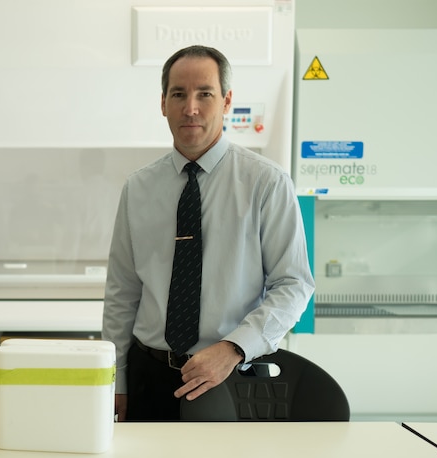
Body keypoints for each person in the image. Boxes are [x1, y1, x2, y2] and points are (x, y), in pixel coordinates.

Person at [102, 45, 314, 422]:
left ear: (227, 100)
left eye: (205, 94)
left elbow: (294, 285)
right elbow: (122, 292)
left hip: (231, 377)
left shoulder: (267, 183)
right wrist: (114, 380)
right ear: (163, 103)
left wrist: (234, 348)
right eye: (179, 94)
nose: (191, 108)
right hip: (148, 377)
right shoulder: (138, 188)